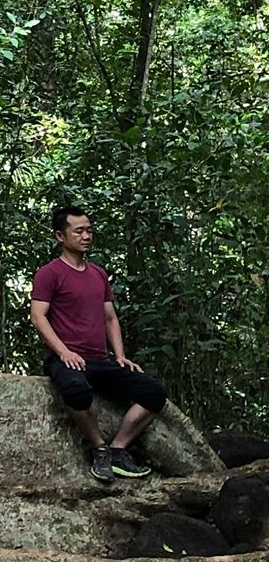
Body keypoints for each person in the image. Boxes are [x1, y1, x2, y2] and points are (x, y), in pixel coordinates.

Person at [31, 204, 166, 483]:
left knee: (153, 392)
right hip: (66, 359)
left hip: (99, 360)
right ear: (60, 236)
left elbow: (110, 318)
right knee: (76, 390)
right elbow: (38, 316)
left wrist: (120, 355)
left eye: (89, 230)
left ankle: (118, 449)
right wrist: (63, 351)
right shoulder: (50, 273)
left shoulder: (98, 274)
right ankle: (99, 448)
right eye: (78, 231)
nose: (86, 236)